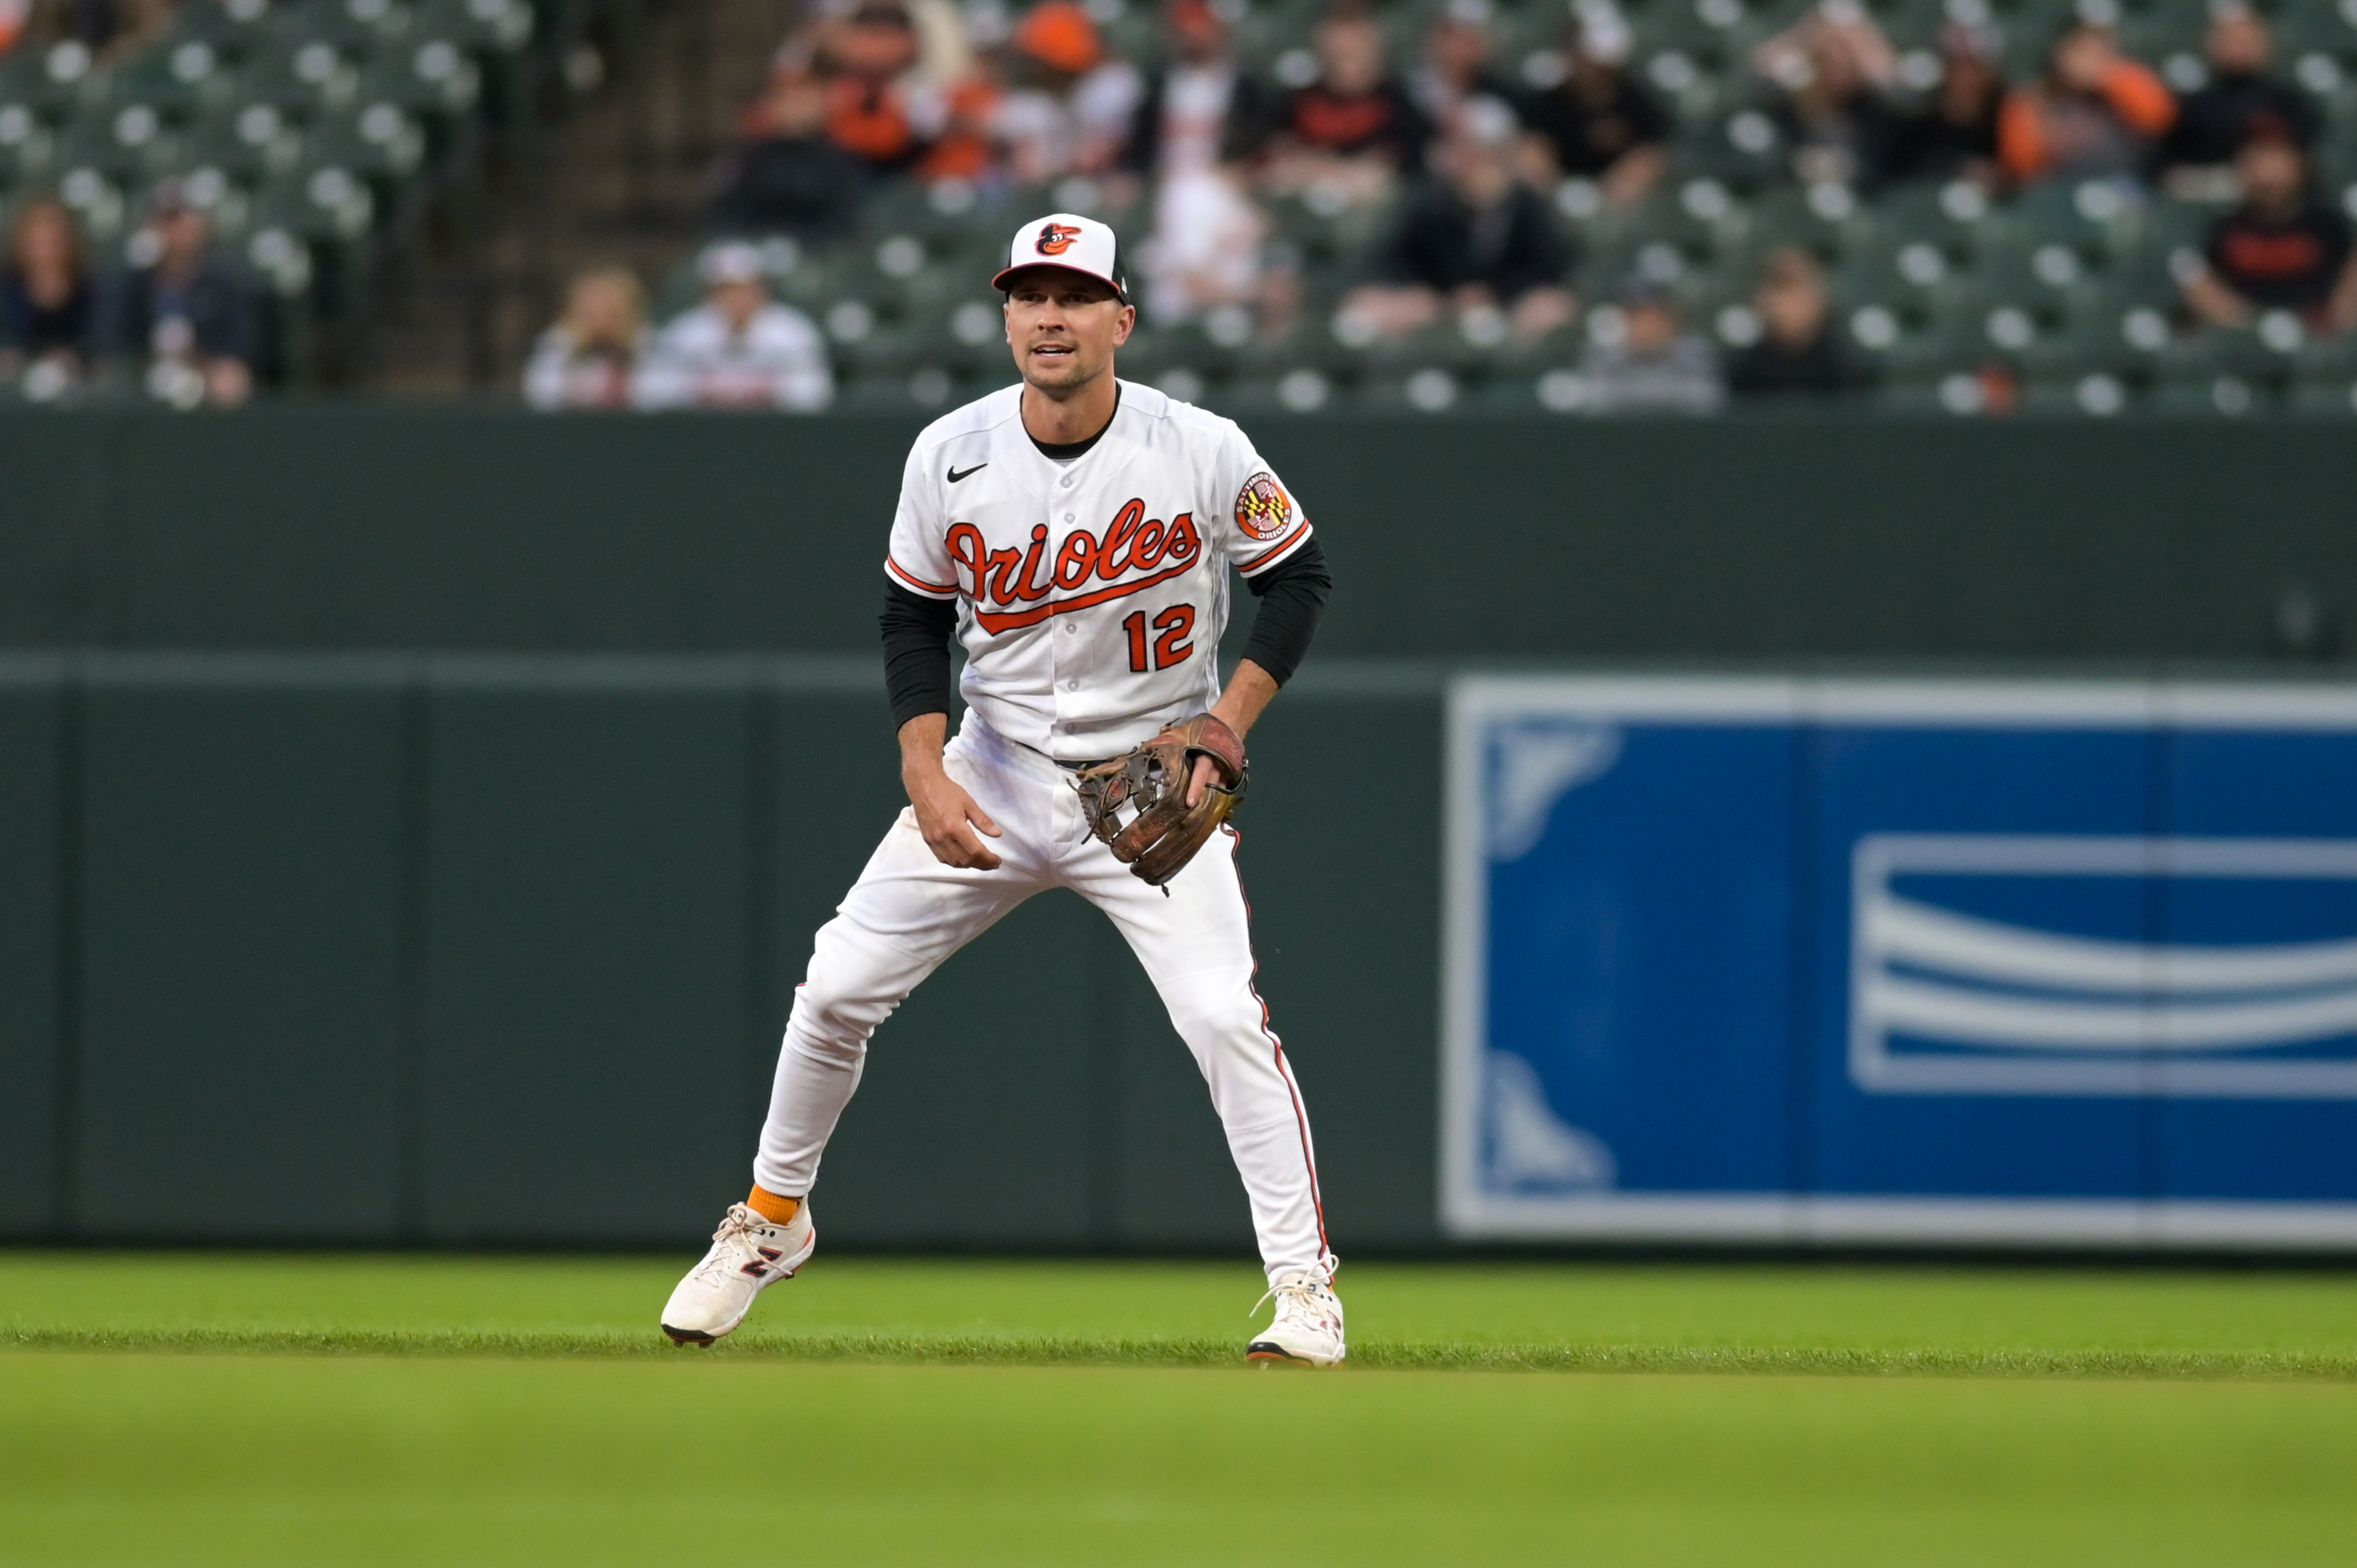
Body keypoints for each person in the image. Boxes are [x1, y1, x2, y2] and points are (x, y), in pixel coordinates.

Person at [657, 213, 1347, 1368]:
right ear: (1005, 315)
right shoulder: (949, 451)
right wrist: (922, 762)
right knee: (832, 990)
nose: (1048, 316)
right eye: (1028, 295)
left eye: (1073, 296)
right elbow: (913, 614)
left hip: (1149, 780)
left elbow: (1298, 576)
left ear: (1120, 317)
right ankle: (770, 1222)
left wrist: (1225, 722)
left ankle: (1302, 1288)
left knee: (1227, 1017)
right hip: (995, 764)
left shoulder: (1202, 445)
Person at [1343, 99, 1576, 341]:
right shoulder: (1433, 201)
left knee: (1550, 308)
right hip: (1441, 303)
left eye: (1471, 148)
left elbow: (1548, 265)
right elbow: (1399, 257)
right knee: (1369, 304)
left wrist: (1493, 292)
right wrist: (1426, 291)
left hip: (1510, 304)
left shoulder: (1526, 204)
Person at [1250, 1, 1428, 205]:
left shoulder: (1395, 101)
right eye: (1339, 40)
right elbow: (1276, 150)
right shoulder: (1300, 99)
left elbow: (1403, 161)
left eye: (1356, 40)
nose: (1347, 47)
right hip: (1305, 193)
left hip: (1371, 207)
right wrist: (1328, 168)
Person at [2182, 132, 2357, 334]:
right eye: (2255, 160)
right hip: (2240, 333)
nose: (2265, 172)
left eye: (2274, 159)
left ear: (2299, 163)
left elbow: (2346, 297)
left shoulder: (2328, 224)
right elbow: (2199, 285)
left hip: (2323, 330)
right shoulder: (2222, 226)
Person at [104, 179, 254, 407]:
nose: (176, 231)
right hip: (144, 374)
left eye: (184, 220)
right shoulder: (133, 284)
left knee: (231, 382)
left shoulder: (222, 284)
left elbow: (241, 345)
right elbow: (113, 341)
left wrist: (201, 361)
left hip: (204, 372)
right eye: (168, 221)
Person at [632, 242, 833, 411]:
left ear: (761, 289)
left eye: (744, 288)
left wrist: (764, 392)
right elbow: (652, 391)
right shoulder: (686, 332)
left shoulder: (792, 332)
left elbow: (816, 392)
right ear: (708, 293)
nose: (736, 298)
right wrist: (701, 391)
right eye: (725, 289)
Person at [1512, 14, 1669, 207]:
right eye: (1577, 54)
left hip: (1618, 198)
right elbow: (1533, 148)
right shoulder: (1549, 102)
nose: (1585, 65)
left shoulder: (1637, 101)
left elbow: (1654, 151)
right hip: (1558, 190)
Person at [1996, 22, 2175, 190]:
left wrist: (2107, 77)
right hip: (2058, 194)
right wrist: (2030, 112)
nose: (2088, 61)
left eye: (2098, 53)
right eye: (2081, 51)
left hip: (2127, 185)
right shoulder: (2034, 99)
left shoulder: (2125, 81)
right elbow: (2021, 167)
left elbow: (2160, 119)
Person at [1753, 0, 1903, 191]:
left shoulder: (1876, 107)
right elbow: (1766, 63)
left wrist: (1858, 40)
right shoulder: (1797, 95)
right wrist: (1805, 36)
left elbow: (1889, 78)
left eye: (1843, 52)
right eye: (1826, 55)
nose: (1835, 60)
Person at [2162, 4, 2316, 191]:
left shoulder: (2290, 104)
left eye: (2245, 39)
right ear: (2211, 43)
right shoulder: (2189, 108)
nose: (2238, 47)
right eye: (2229, 39)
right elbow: (2167, 169)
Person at [990, 0, 1142, 184]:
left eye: (1040, 61)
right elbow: (1024, 163)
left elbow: (1095, 157)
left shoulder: (1110, 87)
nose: (1034, 68)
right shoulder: (1031, 101)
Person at [715, 64, 871, 235]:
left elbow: (852, 220)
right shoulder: (747, 165)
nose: (796, 102)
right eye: (785, 94)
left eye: (804, 92)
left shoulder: (846, 160)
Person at [1724, 246, 1874, 400]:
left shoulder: (1849, 369)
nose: (1783, 303)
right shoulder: (1742, 371)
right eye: (1777, 289)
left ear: (1819, 297)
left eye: (1794, 288)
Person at [1576, 284, 1721, 414]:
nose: (1649, 328)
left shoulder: (1695, 358)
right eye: (1639, 319)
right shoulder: (1602, 359)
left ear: (1673, 323)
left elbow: (1705, 404)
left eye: (1657, 319)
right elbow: (1595, 407)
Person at [0, 195, 96, 390]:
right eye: (36, 232)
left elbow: (105, 348)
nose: (45, 240)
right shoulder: (6, 293)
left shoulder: (90, 291)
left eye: (53, 231)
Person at [1890, 22, 2003, 188]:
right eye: (1954, 64)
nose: (1963, 75)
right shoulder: (1916, 126)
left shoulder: (2006, 120)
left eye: (1971, 65)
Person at [522, 267, 649, 411]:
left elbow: (664, 396)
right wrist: (575, 354)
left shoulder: (653, 347)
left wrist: (623, 356)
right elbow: (541, 393)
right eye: (589, 314)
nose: (601, 321)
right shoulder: (556, 346)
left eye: (611, 312)